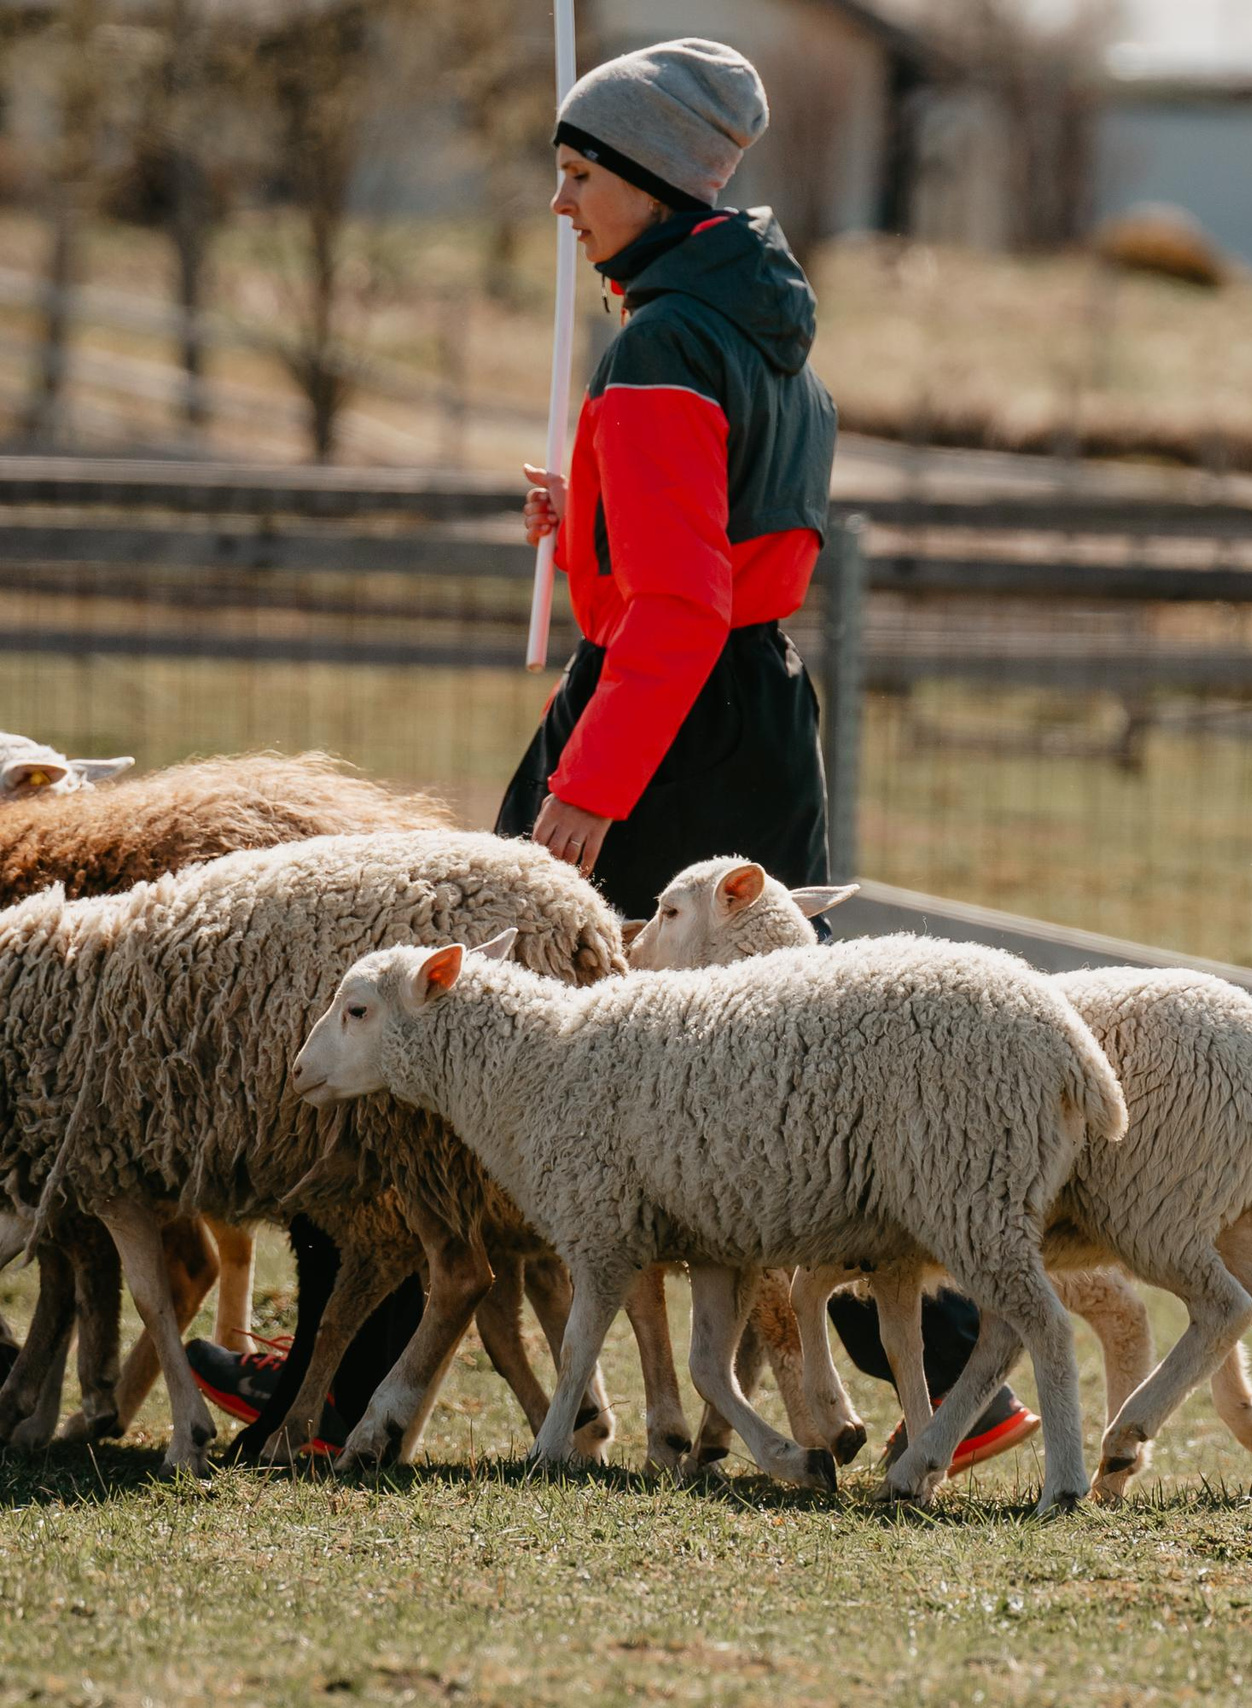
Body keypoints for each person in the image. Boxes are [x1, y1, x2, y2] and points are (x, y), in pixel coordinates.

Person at [189, 37, 1033, 1477]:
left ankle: (332, 1390)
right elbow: (737, 546)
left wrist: (586, 790)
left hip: (659, 735)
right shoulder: (758, 328)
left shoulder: (654, 346)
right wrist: (586, 512)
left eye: (580, 175)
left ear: (649, 179)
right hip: (760, 721)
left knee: (456, 1033)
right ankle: (946, 1365)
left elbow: (679, 599)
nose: (562, 203)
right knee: (801, 1074)